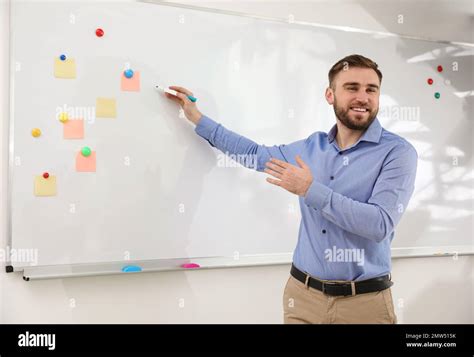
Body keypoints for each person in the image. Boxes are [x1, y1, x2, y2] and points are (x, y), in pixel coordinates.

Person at [164, 54, 418, 324]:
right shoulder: (311, 148)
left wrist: (310, 189)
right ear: (330, 95)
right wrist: (197, 118)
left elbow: (379, 224)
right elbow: (255, 154)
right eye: (352, 87)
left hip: (364, 305)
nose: (363, 97)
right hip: (303, 298)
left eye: (371, 89)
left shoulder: (398, 152)